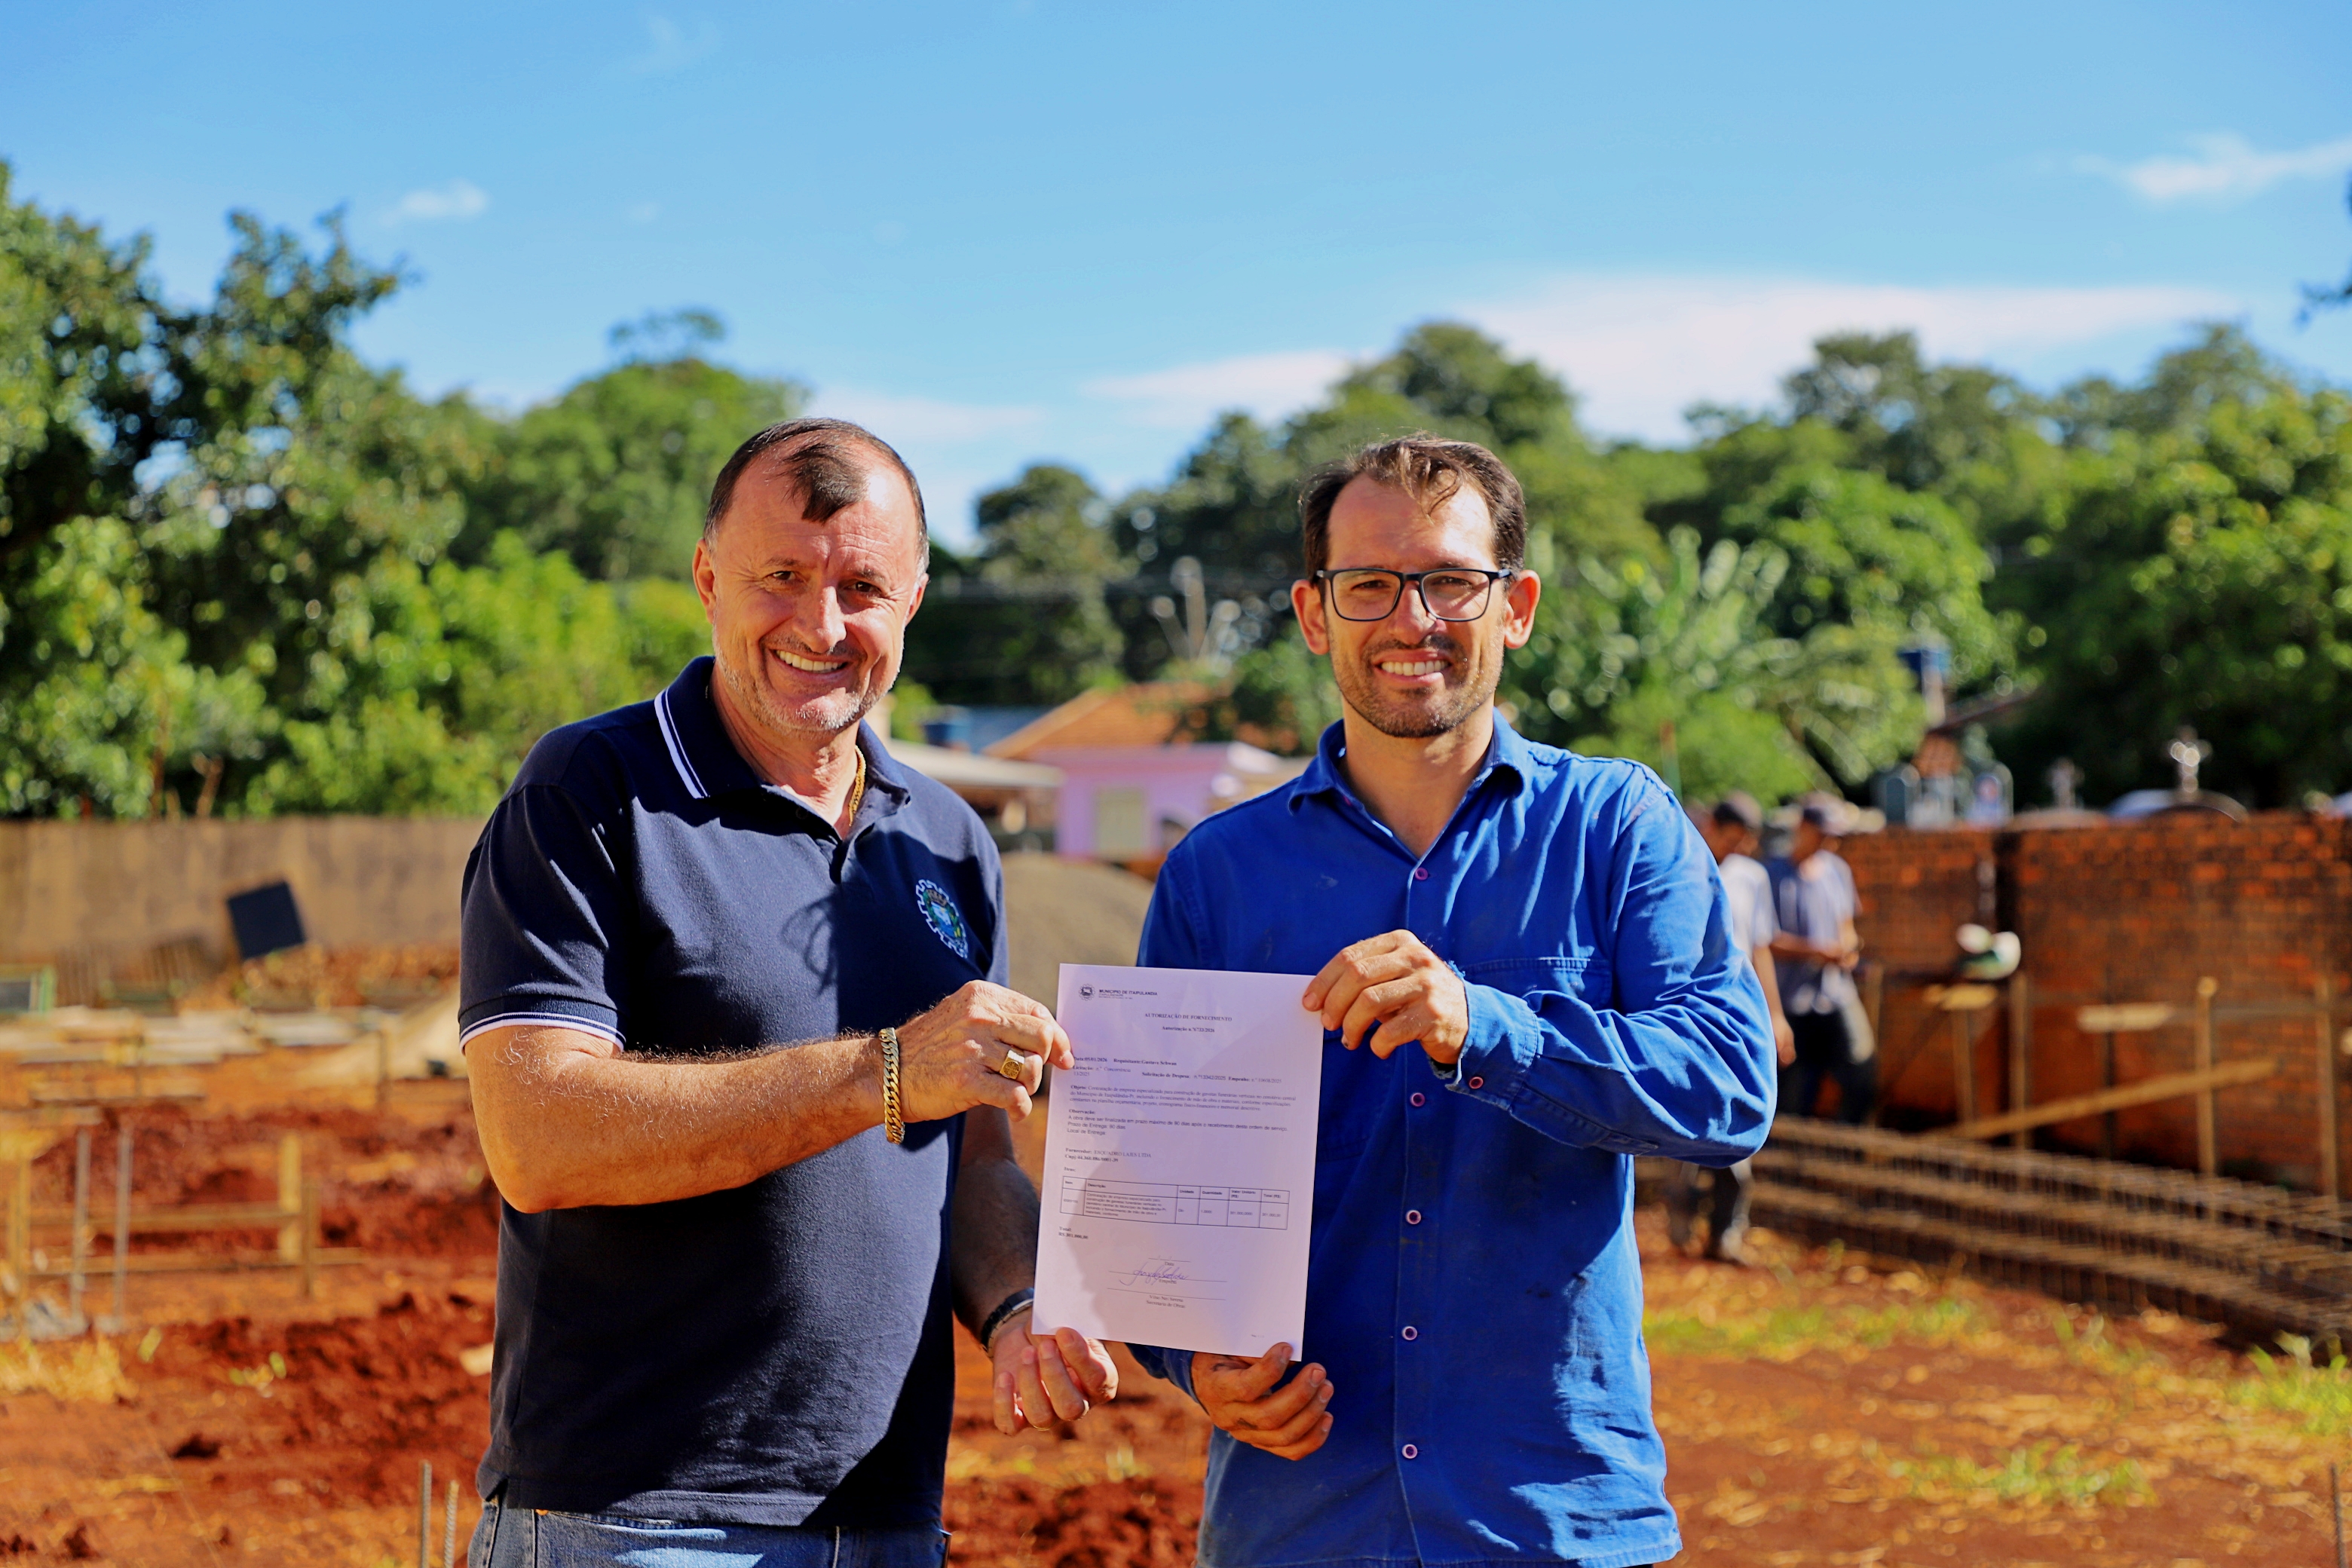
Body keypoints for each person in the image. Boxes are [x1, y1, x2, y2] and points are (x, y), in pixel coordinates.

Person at [458, 418, 1116, 1568]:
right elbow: (537, 1134)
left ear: (914, 599)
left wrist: (1017, 1305)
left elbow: (974, 1164)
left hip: (888, 1517)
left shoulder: (951, 842)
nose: (822, 625)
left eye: (863, 588)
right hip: (638, 1518)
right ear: (708, 578)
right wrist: (884, 1072)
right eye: (781, 578)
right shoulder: (590, 792)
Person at [1124, 435, 1776, 1568]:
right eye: (1369, 584)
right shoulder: (1216, 876)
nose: (1411, 618)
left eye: (1450, 582)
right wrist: (1193, 1364)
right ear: (1315, 613)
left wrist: (1489, 1028)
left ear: (1514, 607)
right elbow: (1146, 1195)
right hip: (1300, 1522)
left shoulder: (1617, 828)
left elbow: (1728, 1090)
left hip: (1551, 1517)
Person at [1665, 792, 1797, 1263]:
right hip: (1686, 1012)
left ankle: (1726, 1233)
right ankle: (1680, 1221)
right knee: (1683, 1121)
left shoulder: (1751, 877)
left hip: (1736, 1017)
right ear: (1713, 828)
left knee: (1734, 1119)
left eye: (1747, 840)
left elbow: (1759, 948)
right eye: (1734, 837)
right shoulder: (1677, 863)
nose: (1740, 847)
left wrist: (1774, 1014)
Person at [1769, 801, 1873, 1123]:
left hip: (1835, 992)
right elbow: (1765, 941)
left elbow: (1846, 926)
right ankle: (1794, 1153)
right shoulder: (1773, 875)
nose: (1830, 843)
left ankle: (1843, 1143)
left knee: (1861, 1071)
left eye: (1834, 837)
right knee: (1795, 1092)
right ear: (1802, 828)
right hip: (1791, 999)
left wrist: (1848, 949)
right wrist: (1818, 952)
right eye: (1823, 834)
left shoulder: (1837, 871)